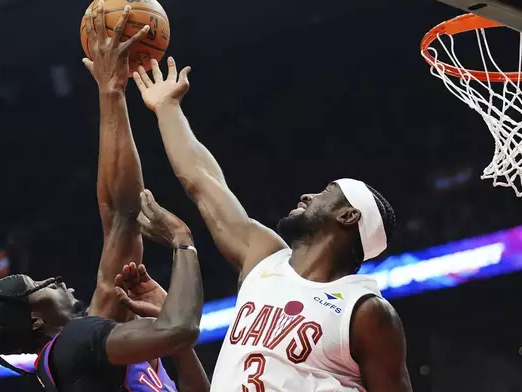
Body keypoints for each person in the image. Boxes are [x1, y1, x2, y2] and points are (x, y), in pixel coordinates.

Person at [131, 57, 413, 391]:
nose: (308, 195)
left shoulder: (365, 311)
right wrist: (167, 107)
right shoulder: (264, 257)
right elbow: (204, 182)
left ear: (348, 216)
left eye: (326, 192)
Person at [0, 3, 208, 391]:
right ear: (35, 319)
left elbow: (121, 215)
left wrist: (111, 91)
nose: (54, 279)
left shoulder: (88, 344)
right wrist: (183, 241)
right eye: (38, 285)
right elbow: (180, 329)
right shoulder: (72, 345)